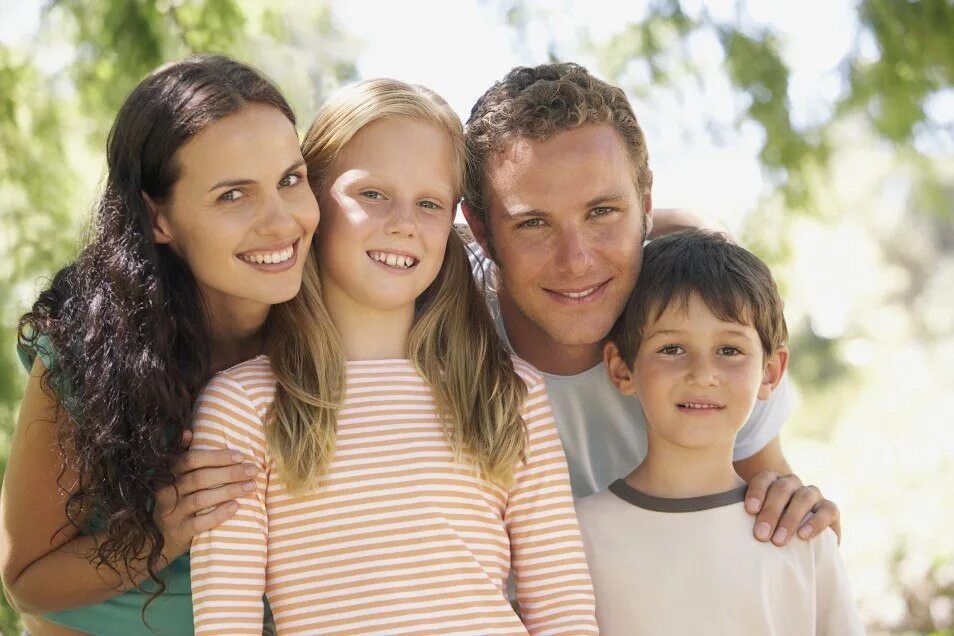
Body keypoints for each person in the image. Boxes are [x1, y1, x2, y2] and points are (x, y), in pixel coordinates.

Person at [188, 79, 597, 635]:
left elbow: (563, 608)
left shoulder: (508, 391)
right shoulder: (244, 407)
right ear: (312, 203)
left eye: (429, 203)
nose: (404, 222)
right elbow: (224, 624)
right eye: (372, 194)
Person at [0, 55, 319, 635]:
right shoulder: (89, 349)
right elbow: (25, 579)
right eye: (232, 196)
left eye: (290, 180)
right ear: (157, 218)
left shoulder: (337, 330)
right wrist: (164, 531)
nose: (281, 222)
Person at [462, 62, 840, 543]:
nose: (576, 261)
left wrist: (798, 514)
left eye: (602, 212)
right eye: (533, 224)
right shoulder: (433, 321)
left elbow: (775, 509)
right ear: (481, 230)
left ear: (645, 206)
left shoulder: (707, 331)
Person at [576, 230, 864, 634]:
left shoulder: (804, 536)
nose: (703, 374)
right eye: (672, 348)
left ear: (771, 371)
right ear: (623, 367)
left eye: (729, 350)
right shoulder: (574, 536)